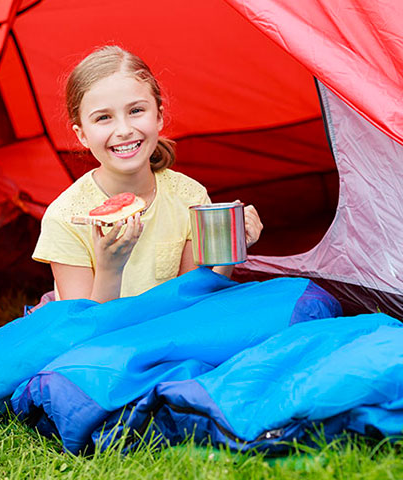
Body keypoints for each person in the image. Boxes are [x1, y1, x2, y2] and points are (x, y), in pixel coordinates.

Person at [32, 45, 263, 303]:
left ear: (159, 117)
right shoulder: (65, 217)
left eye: (136, 111)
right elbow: (85, 327)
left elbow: (192, 297)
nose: (124, 130)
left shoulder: (189, 197)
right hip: (100, 337)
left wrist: (230, 247)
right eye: (104, 117)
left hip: (171, 326)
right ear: (82, 134)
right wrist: (110, 269)